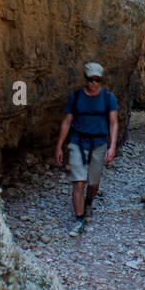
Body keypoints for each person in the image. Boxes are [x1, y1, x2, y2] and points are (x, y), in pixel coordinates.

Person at [54, 62, 119, 236]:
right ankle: (79, 219)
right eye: (91, 79)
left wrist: (112, 147)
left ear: (101, 80)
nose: (94, 83)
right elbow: (67, 122)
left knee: (93, 184)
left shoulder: (108, 98)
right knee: (78, 182)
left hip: (99, 144)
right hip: (77, 142)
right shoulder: (75, 97)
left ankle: (89, 201)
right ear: (85, 79)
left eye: (97, 80)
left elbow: (113, 123)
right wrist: (59, 147)